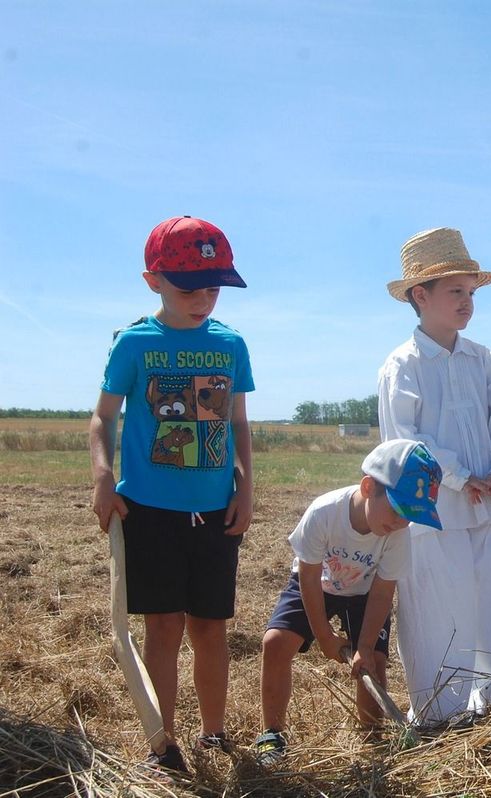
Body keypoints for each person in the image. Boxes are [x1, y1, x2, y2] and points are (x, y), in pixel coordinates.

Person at [89, 216, 253, 775]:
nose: (204, 300)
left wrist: (245, 488)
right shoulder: (134, 343)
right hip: (149, 511)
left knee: (210, 625)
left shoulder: (230, 344)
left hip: (213, 507)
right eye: (190, 288)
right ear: (152, 280)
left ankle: (214, 733)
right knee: (163, 625)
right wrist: (102, 478)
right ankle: (165, 740)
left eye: (214, 287)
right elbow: (102, 418)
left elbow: (238, 424)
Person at [378, 227, 491, 727]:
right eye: (455, 291)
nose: (467, 302)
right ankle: (440, 715)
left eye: (470, 292)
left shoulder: (483, 359)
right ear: (419, 296)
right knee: (440, 613)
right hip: (436, 514)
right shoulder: (402, 364)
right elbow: (404, 439)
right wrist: (458, 475)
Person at [254, 439, 443, 764]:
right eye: (398, 509)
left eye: (411, 516)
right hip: (319, 585)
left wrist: (365, 646)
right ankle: (272, 734)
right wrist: (325, 637)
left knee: (374, 665)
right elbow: (309, 578)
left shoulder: (397, 535)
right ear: (369, 486)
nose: (401, 522)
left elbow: (383, 593)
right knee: (275, 643)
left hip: (366, 594)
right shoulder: (325, 513)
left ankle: (371, 743)